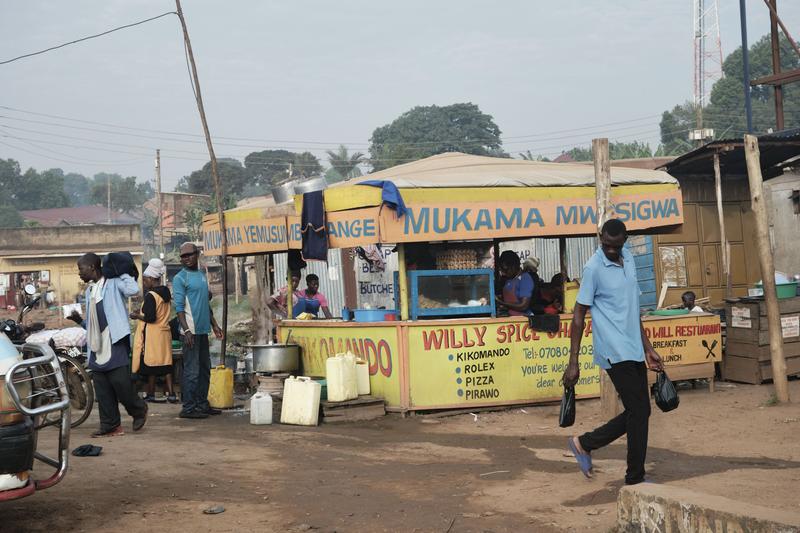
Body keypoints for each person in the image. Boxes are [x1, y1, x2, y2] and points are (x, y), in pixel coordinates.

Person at [562, 219, 663, 485]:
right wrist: (573, 361)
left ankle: (584, 443)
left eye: (615, 246)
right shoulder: (593, 268)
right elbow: (578, 315)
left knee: (640, 411)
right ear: (600, 237)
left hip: (632, 348)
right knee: (639, 411)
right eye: (605, 244)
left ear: (624, 241)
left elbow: (632, 309)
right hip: (612, 350)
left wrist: (648, 347)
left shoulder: (628, 259)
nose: (609, 250)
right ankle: (634, 479)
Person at [71, 253, 147, 437]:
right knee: (102, 388)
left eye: (81, 269)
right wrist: (78, 321)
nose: (79, 273)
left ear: (92, 267)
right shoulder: (89, 292)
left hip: (114, 340)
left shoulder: (113, 283)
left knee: (121, 383)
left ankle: (138, 410)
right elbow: (92, 322)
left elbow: (132, 289)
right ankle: (110, 425)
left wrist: (121, 271)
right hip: (97, 345)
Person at [173, 243, 224, 419]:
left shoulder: (202, 276)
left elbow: (205, 304)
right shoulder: (180, 278)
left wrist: (215, 325)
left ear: (197, 254)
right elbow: (179, 308)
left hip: (202, 330)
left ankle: (202, 404)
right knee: (192, 371)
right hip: (190, 332)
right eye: (183, 256)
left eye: (189, 255)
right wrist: (186, 330)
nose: (186, 259)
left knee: (204, 370)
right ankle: (188, 408)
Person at [130, 258, 177, 403]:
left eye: (145, 280)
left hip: (153, 335)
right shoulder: (165, 292)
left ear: (151, 279)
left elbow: (150, 318)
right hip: (165, 333)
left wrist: (137, 315)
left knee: (151, 365)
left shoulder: (151, 296)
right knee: (166, 364)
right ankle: (171, 394)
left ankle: (150, 394)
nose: (144, 282)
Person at [495, 250, 534, 317]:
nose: (503, 273)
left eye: (506, 269)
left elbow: (523, 306)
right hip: (510, 317)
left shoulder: (525, 278)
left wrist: (501, 303)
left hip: (522, 320)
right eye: (501, 270)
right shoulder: (509, 279)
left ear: (514, 266)